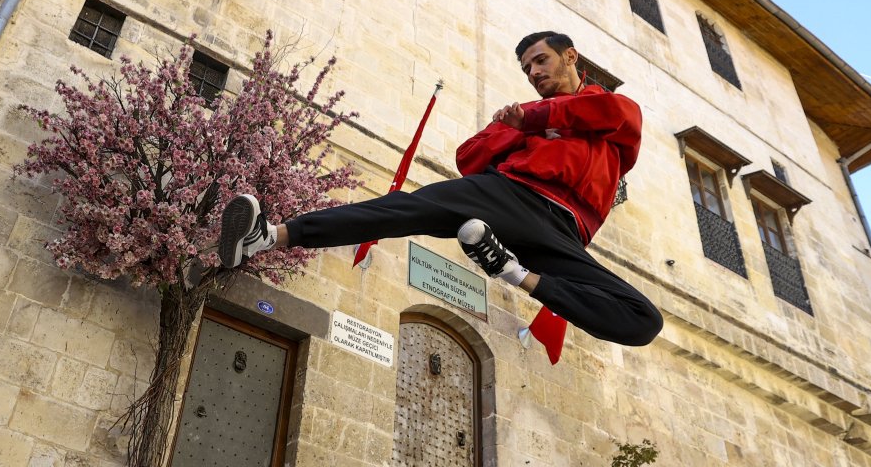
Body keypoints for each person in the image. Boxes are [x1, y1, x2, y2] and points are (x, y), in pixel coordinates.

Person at [218, 31, 663, 348]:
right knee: (399, 210)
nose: (533, 73)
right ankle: (268, 237)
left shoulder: (607, 108)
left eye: (541, 61)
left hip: (563, 233)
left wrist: (540, 122)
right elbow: (470, 155)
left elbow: (617, 118)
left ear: (571, 57)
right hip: (507, 196)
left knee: (643, 320)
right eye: (527, 68)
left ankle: (513, 272)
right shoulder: (523, 112)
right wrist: (524, 130)